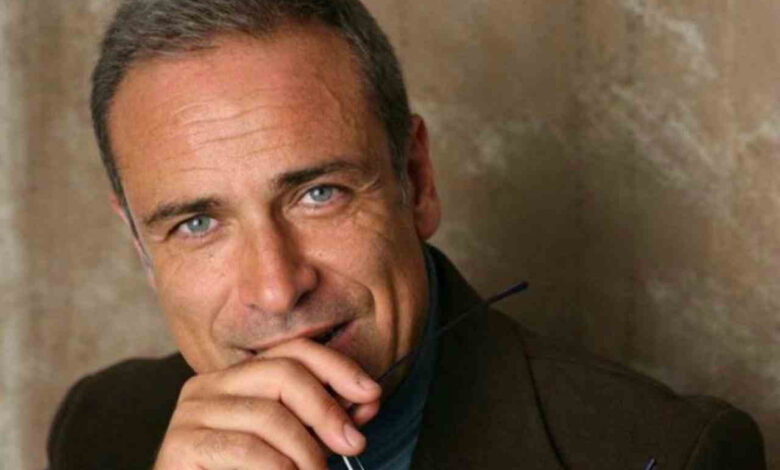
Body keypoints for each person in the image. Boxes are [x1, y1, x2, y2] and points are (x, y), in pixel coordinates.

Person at [47, 0, 766, 468]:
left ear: (416, 181)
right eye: (197, 223)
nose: (276, 288)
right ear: (141, 246)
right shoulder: (102, 428)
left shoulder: (667, 453)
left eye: (318, 193)